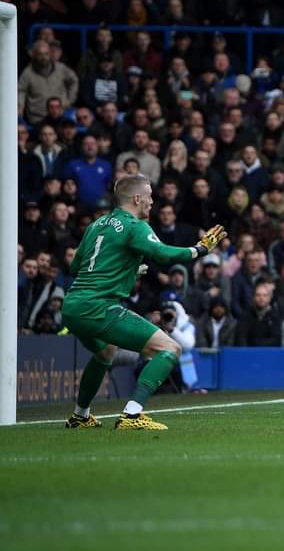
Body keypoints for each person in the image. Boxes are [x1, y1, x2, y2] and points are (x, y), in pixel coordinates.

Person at [60, 175, 227, 431]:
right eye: (149, 195)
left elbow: (76, 266)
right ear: (137, 198)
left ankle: (80, 416)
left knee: (105, 352)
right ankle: (132, 414)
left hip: (72, 306)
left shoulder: (96, 225)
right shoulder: (134, 225)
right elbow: (163, 254)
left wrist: (124, 270)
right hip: (98, 307)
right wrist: (200, 249)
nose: (151, 201)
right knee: (169, 349)